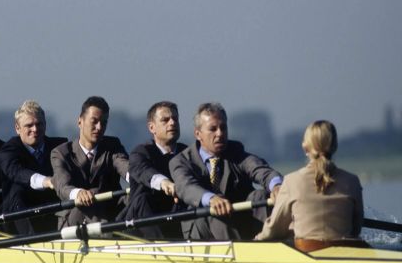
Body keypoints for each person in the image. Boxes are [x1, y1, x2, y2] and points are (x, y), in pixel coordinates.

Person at [170, 102, 282, 240]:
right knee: (213, 212)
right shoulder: (181, 161)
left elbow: (259, 169)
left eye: (223, 128)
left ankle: (267, 245)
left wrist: (276, 185)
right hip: (201, 227)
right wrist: (211, 199)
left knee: (259, 195)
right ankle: (242, 255)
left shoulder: (235, 151)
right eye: (213, 129)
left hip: (239, 221)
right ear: (198, 134)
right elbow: (186, 187)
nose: (220, 134)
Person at [255, 120, 365, 252]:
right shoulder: (352, 181)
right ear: (334, 146)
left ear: (305, 148)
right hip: (346, 252)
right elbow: (356, 229)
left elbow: (274, 231)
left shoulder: (291, 181)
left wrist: (256, 240)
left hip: (306, 253)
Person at [51, 96, 129, 228]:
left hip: (108, 216)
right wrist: (78, 193)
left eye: (104, 123)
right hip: (75, 220)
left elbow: (124, 166)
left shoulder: (113, 146)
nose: (99, 127)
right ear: (80, 122)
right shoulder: (60, 153)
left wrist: (137, 179)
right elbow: (63, 186)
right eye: (94, 121)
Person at [120, 101, 187, 239]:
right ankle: (161, 245)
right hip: (140, 224)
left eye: (175, 119)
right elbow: (144, 171)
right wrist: (164, 183)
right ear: (152, 127)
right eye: (165, 120)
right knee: (143, 199)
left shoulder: (187, 153)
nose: (172, 123)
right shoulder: (140, 153)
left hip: (174, 218)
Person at [0, 101, 67, 234]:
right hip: (19, 218)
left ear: (45, 125)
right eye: (29, 125)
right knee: (17, 191)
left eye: (39, 124)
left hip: (53, 211)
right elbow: (16, 172)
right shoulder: (8, 150)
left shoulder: (60, 146)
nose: (35, 129)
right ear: (17, 128)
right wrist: (46, 181)